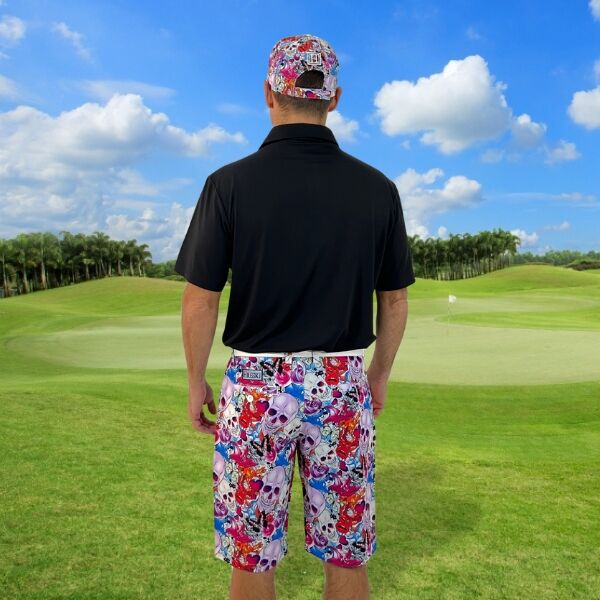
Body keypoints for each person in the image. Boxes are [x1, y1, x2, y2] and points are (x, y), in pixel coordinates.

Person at [175, 33, 415, 600]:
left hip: (255, 388)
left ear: (268, 92)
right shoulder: (377, 189)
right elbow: (395, 299)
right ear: (334, 99)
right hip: (342, 385)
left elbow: (201, 298)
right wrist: (378, 375)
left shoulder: (228, 184)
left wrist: (194, 381)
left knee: (252, 559)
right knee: (346, 554)